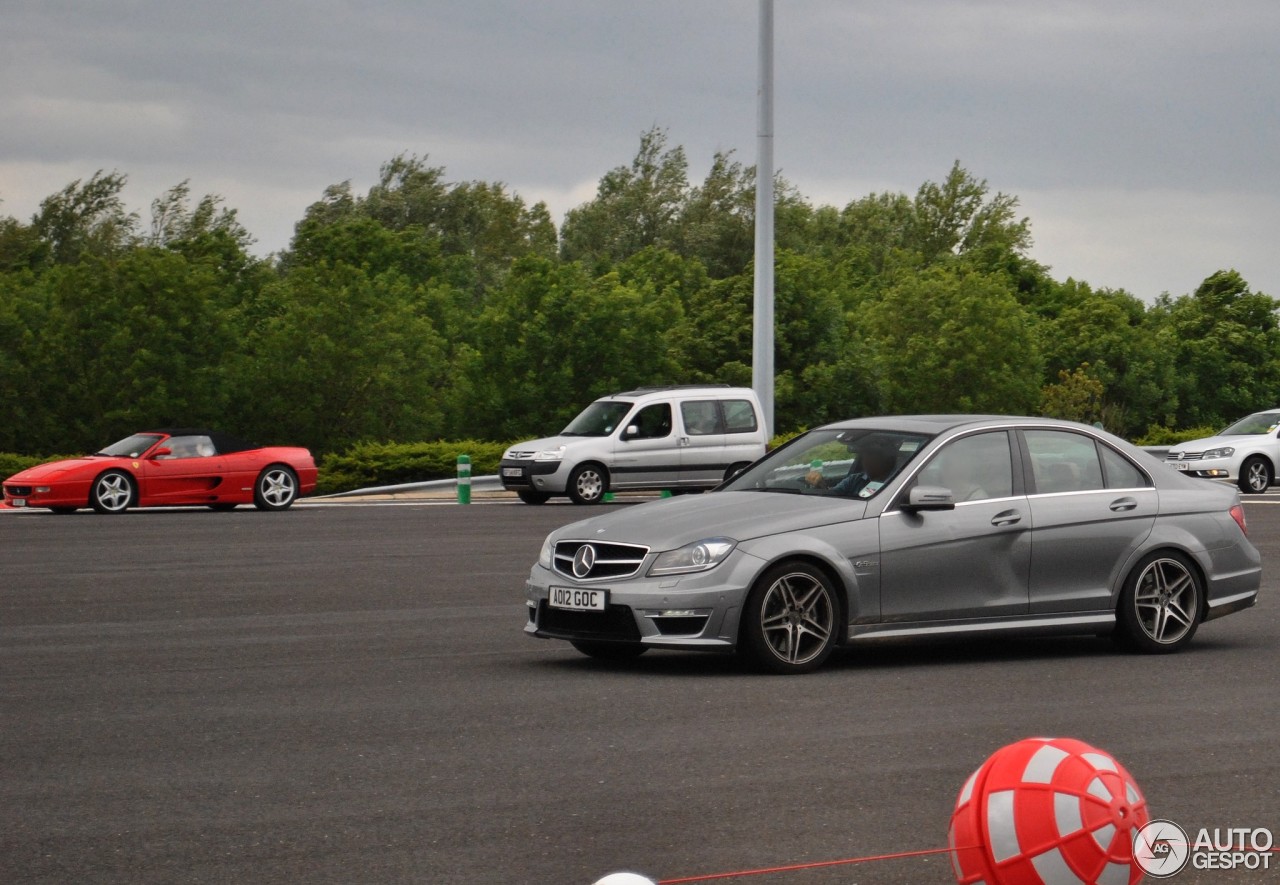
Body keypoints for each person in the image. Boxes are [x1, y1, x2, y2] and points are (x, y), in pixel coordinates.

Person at [807, 439, 899, 497]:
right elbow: (833, 494)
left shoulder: (895, 482)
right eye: (864, 457)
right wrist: (822, 485)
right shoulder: (854, 480)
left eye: (873, 457)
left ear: (884, 460)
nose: (866, 462)